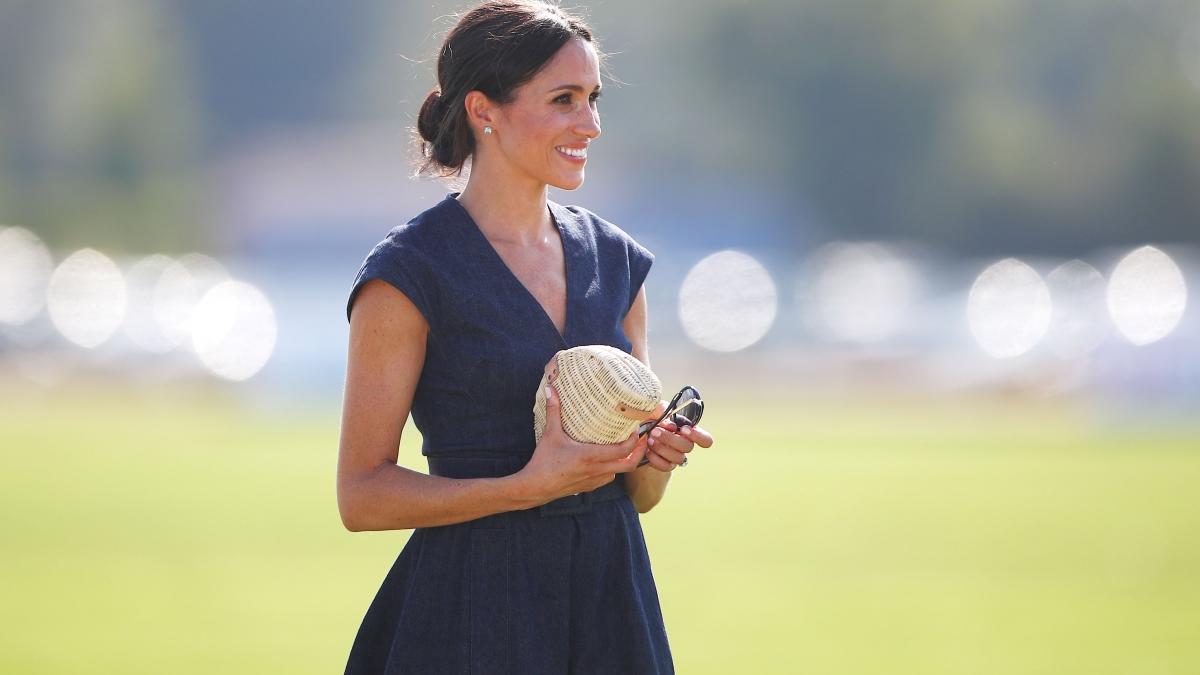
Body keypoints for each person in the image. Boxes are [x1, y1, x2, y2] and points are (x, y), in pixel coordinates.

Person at [337, 2, 715, 672]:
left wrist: (654, 455)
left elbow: (639, 497)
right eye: (564, 99)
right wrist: (524, 486)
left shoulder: (617, 260)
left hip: (610, 601)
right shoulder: (407, 274)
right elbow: (361, 495)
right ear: (484, 111)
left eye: (594, 98)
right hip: (473, 611)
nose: (591, 124)